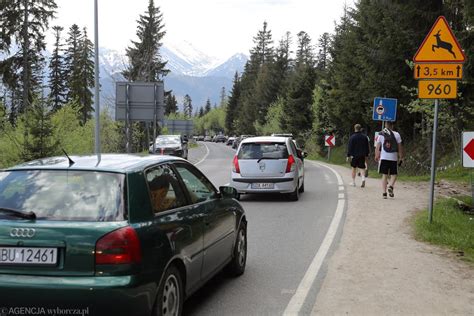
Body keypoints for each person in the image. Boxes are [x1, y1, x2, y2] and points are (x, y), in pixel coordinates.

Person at [375, 121, 404, 199]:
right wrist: (401, 157)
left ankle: (384, 193)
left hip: (384, 157)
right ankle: (390, 186)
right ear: (392, 126)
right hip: (393, 158)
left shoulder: (381, 134)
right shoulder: (397, 134)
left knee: (384, 175)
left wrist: (376, 155)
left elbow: (378, 147)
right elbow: (400, 147)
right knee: (394, 174)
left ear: (385, 125)